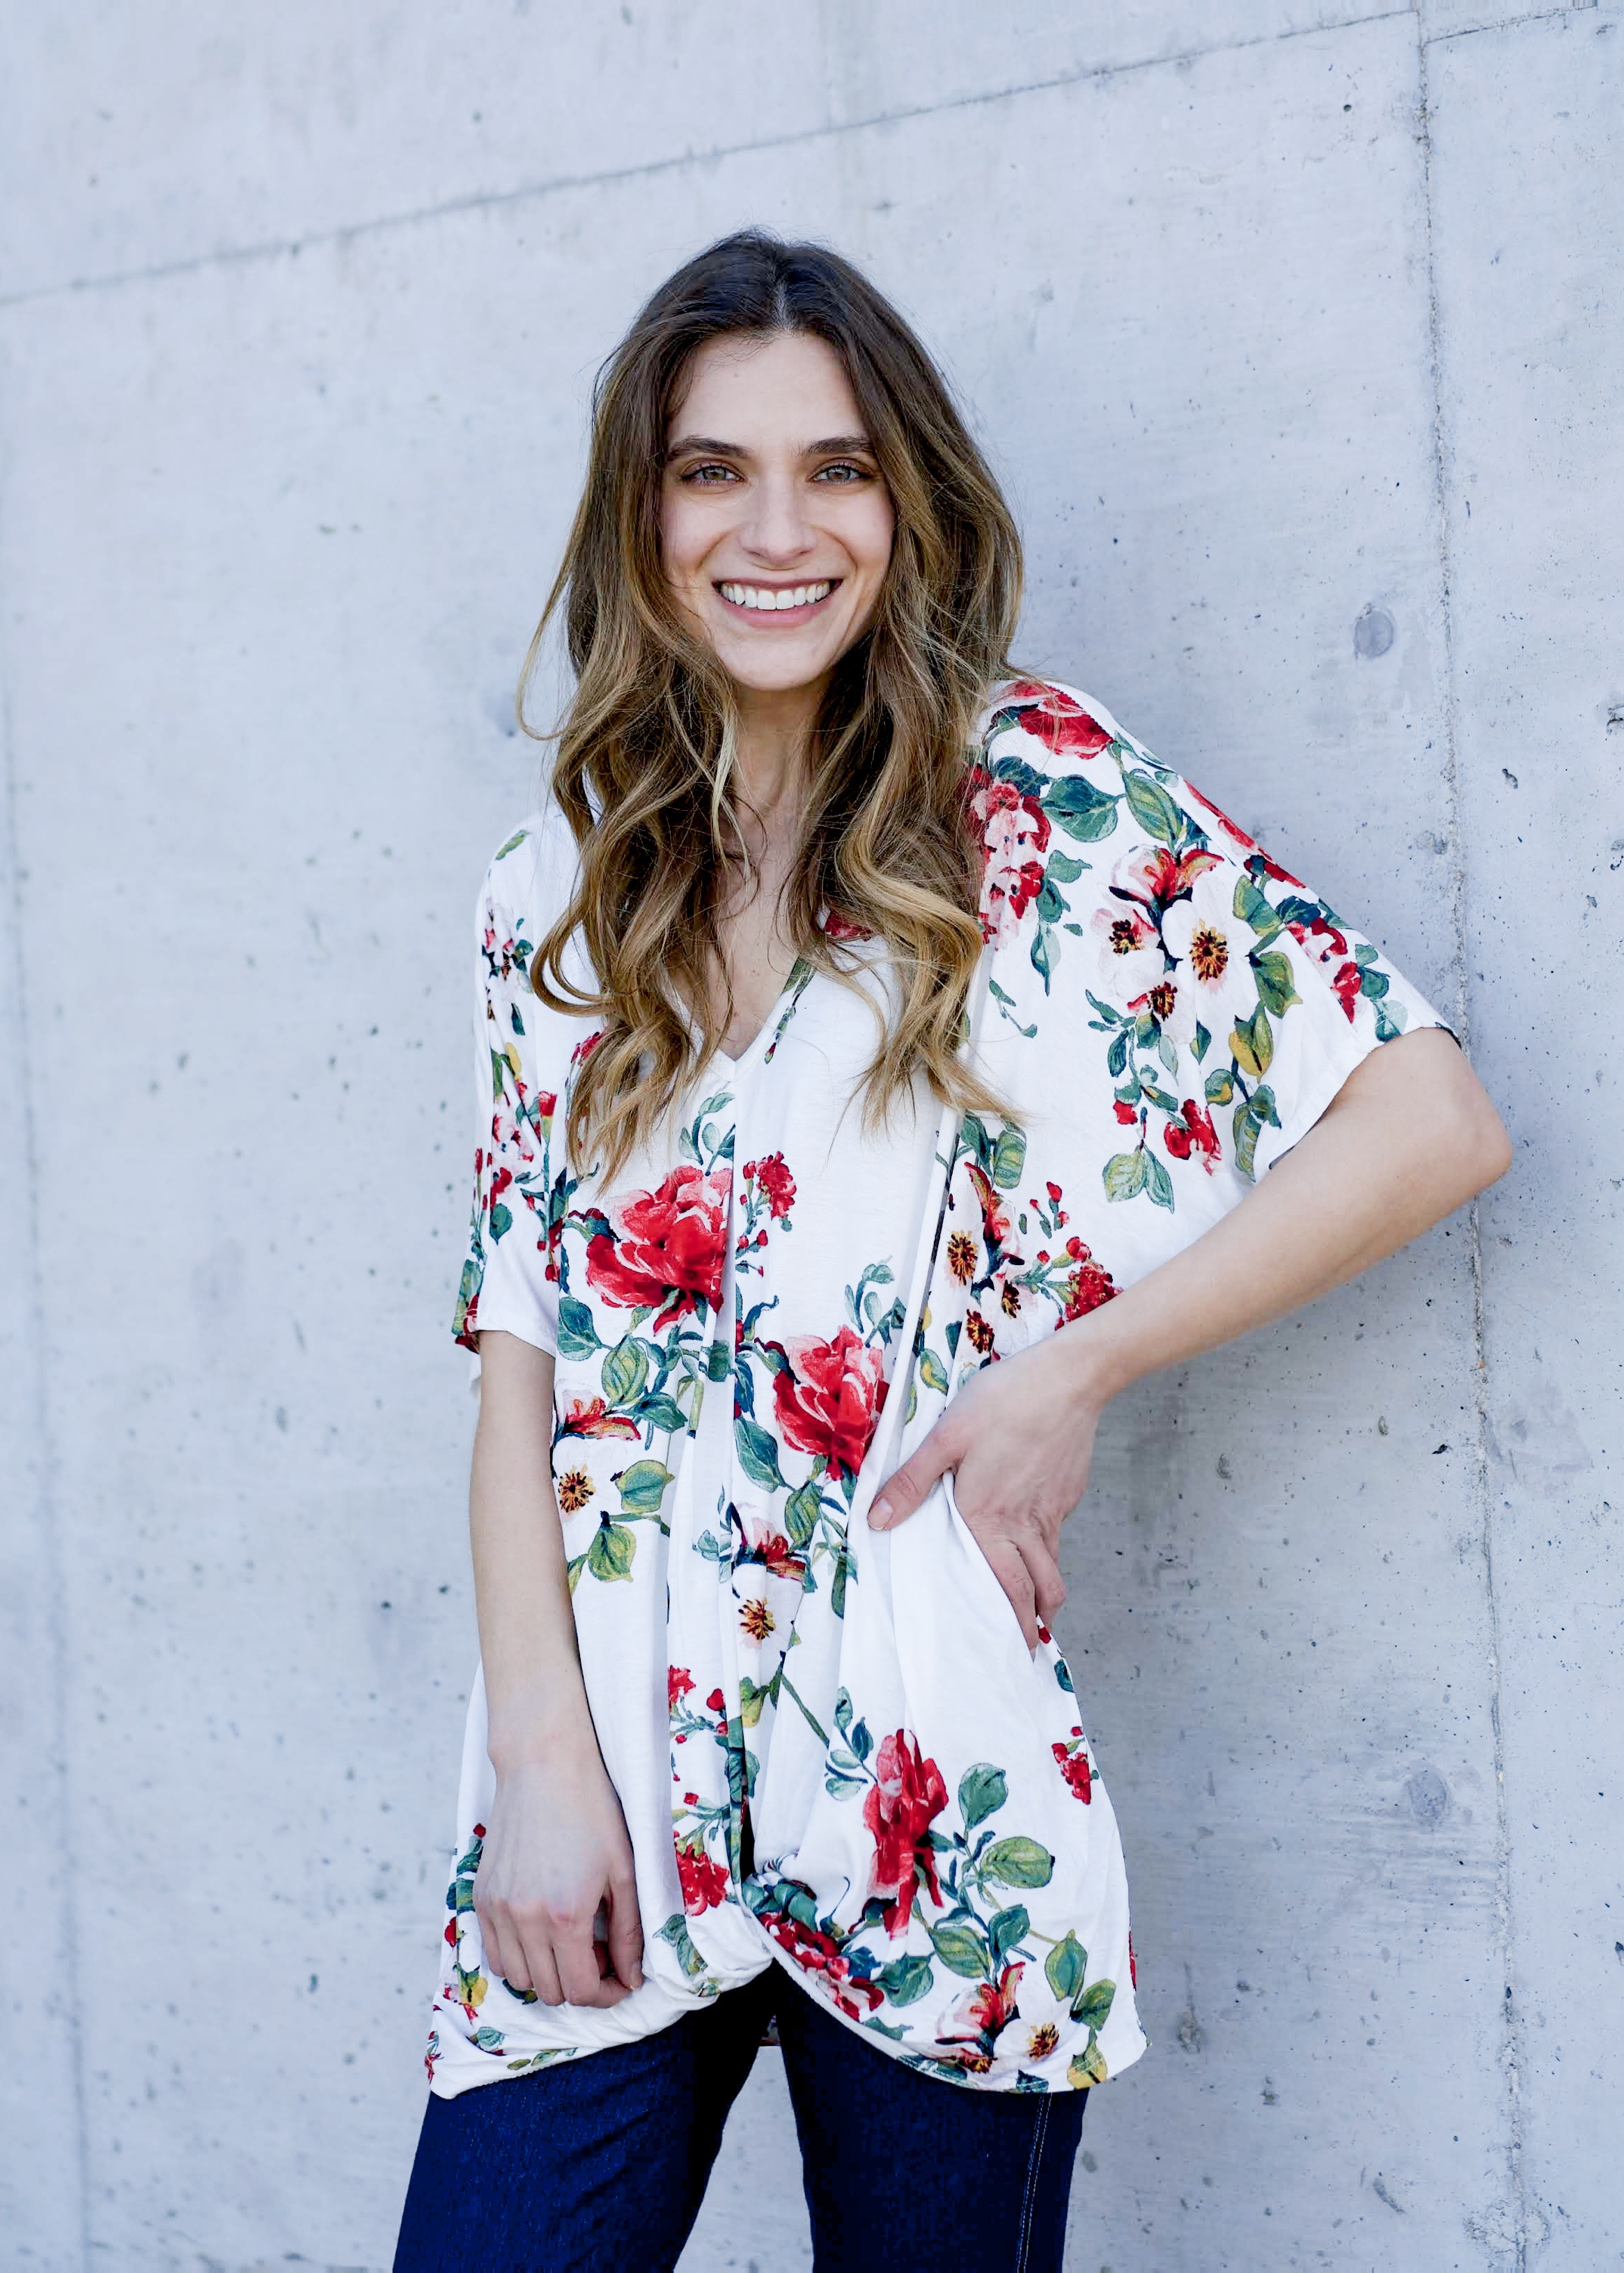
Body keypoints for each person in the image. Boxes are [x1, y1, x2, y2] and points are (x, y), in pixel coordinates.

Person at [393, 230, 1509, 2272]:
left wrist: (1066, 1372)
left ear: (907, 503)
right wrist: (540, 1761)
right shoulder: (551, 888)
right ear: (637, 516)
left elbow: (1425, 1117)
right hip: (603, 1787)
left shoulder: (1035, 800)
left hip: (927, 1794)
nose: (775, 527)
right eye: (709, 470)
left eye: (835, 467)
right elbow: (517, 1366)